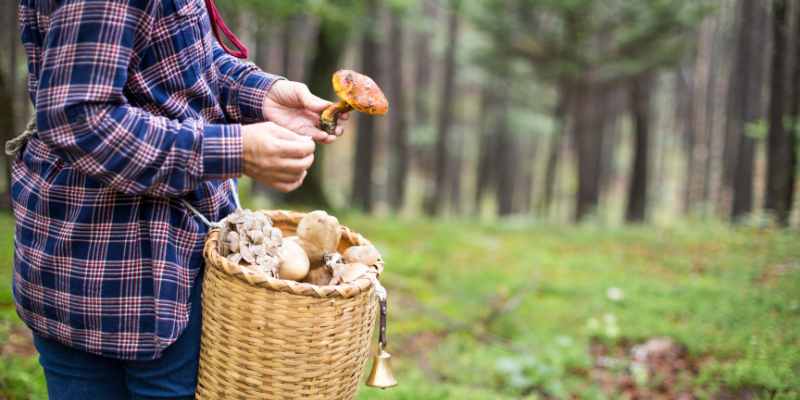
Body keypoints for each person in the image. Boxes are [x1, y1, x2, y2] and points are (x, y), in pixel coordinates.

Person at [11, 0, 347, 398]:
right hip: (127, 273)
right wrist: (233, 149)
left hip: (162, 261)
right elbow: (79, 118)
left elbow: (176, 61)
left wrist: (262, 94)